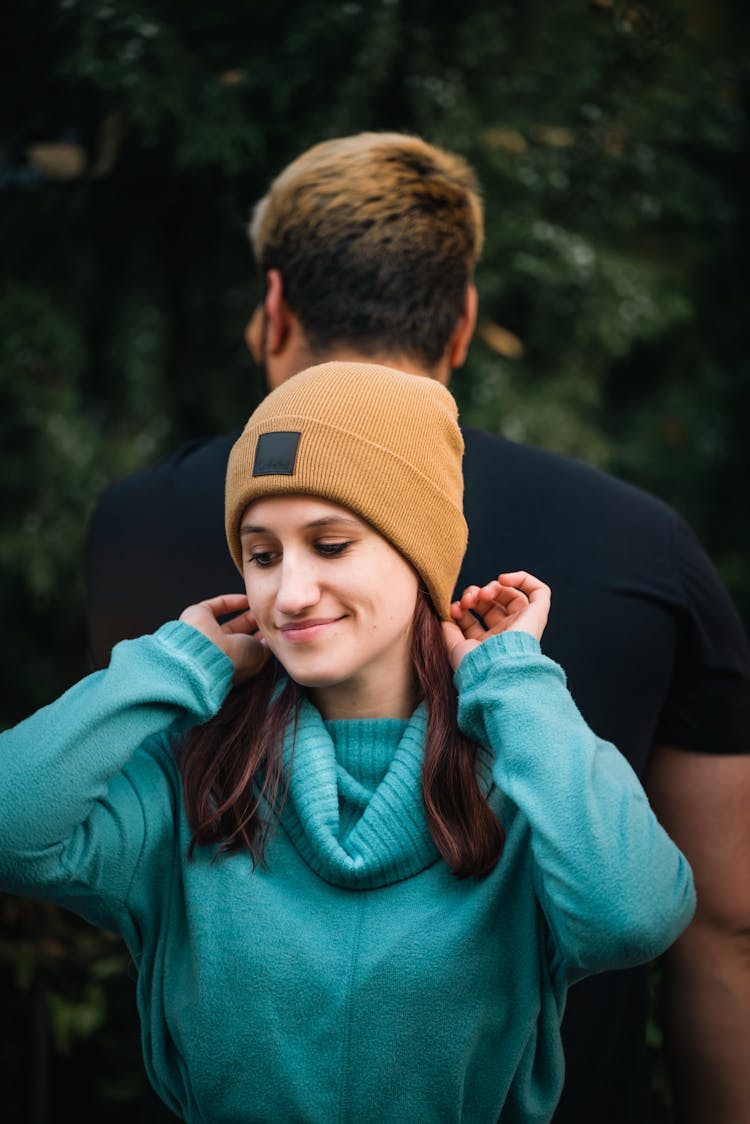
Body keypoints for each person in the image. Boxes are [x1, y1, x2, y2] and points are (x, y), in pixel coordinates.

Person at [84, 134, 750, 1123]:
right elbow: (723, 929)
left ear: (274, 309)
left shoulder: (136, 525)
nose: (290, 592)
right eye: (263, 557)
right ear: (464, 321)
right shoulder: (644, 544)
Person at [0, 361, 694, 1123]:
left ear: (420, 552)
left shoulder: (528, 780)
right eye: (262, 555)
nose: (288, 593)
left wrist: (516, 683)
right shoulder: (195, 776)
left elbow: (634, 918)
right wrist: (171, 663)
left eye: (331, 544)